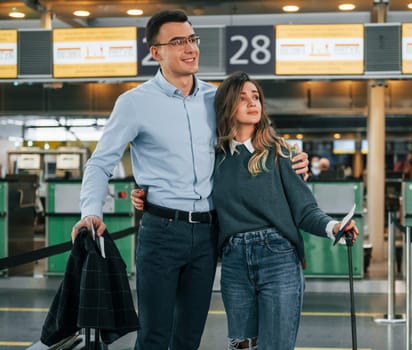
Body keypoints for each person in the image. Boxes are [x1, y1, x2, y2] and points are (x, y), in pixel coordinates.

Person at [70, 10, 309, 350]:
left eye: (193, 40)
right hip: (161, 232)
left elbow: (255, 140)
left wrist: (294, 159)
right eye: (178, 41)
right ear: (156, 52)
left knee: (189, 336)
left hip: (209, 233)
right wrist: (90, 211)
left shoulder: (218, 99)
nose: (190, 48)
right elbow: (100, 163)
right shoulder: (134, 103)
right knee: (154, 334)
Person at [133, 71, 359, 350]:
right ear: (228, 106)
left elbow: (305, 209)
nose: (253, 103)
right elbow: (185, 187)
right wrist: (146, 195)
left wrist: (334, 227)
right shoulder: (213, 158)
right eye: (243, 98)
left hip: (278, 258)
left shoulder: (281, 153)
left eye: (256, 97)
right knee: (242, 345)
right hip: (233, 261)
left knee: (274, 345)